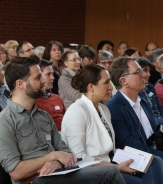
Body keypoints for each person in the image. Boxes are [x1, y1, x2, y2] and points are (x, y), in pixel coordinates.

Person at [0, 56, 126, 184]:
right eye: (38, 77)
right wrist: (53, 156)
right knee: (110, 172)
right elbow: (16, 172)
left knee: (110, 171)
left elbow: (65, 152)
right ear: (20, 84)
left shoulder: (44, 116)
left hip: (59, 174)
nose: (44, 80)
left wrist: (57, 162)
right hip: (34, 180)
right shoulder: (5, 121)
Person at [61, 64, 163, 184]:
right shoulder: (77, 111)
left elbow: (111, 149)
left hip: (112, 161)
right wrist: (116, 167)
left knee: (155, 161)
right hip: (93, 170)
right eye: (106, 82)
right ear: (91, 87)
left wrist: (134, 159)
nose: (111, 87)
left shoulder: (103, 109)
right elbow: (78, 157)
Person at [106, 56, 163, 184]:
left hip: (161, 156)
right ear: (123, 81)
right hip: (144, 164)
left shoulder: (142, 100)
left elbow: (160, 130)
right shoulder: (114, 107)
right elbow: (128, 144)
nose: (144, 75)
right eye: (138, 72)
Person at [35, 59, 66, 131]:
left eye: (52, 74)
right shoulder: (33, 101)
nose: (53, 78)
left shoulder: (57, 98)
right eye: (48, 74)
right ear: (38, 76)